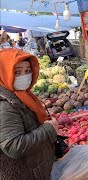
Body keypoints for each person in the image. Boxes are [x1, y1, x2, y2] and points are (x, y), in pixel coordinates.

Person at [0, 49, 59, 180]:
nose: (24, 76)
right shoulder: (4, 105)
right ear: (4, 72)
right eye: (17, 72)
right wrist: (49, 129)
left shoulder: (22, 95)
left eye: (27, 71)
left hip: (34, 168)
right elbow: (13, 146)